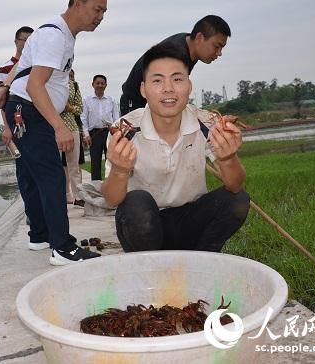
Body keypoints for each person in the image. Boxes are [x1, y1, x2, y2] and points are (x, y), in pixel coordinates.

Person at [0, 0, 107, 265]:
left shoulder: (59, 34)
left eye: (104, 12)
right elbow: (35, 85)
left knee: (32, 176)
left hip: (24, 108)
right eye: (97, 9)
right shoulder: (55, 35)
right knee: (53, 176)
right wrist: (59, 125)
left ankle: (39, 235)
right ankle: (63, 248)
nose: (100, 17)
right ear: (77, 4)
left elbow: (24, 66)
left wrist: (5, 86)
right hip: (31, 111)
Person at [102, 42, 250, 253]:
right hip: (144, 225)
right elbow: (111, 198)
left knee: (237, 200)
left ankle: (204, 258)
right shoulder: (124, 130)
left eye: (177, 79)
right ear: (143, 90)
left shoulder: (206, 123)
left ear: (189, 86)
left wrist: (228, 159)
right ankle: (151, 269)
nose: (168, 89)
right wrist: (119, 170)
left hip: (190, 220)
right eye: (157, 81)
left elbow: (235, 186)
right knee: (136, 202)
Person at [119, 15, 231, 115]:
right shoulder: (175, 54)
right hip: (136, 103)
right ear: (199, 38)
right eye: (216, 46)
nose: (219, 53)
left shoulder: (189, 46)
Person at [0, 26, 34, 227]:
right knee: (25, 170)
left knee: (42, 169)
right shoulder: (5, 69)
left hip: (38, 123)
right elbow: (2, 102)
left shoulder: (37, 65)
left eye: (31, 40)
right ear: (16, 41)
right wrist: (7, 127)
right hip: (17, 126)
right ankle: (31, 211)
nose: (27, 43)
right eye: (23, 40)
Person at [81, 74, 119, 180]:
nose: (100, 85)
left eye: (102, 83)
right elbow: (83, 118)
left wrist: (113, 127)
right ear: (93, 84)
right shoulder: (87, 100)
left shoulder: (111, 100)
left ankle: (111, 185)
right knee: (95, 162)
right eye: (97, 83)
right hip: (95, 134)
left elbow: (117, 118)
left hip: (109, 133)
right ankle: (96, 188)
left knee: (111, 161)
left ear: (106, 85)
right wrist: (86, 135)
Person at [60, 69, 85, 207]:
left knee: (74, 166)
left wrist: (69, 108)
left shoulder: (73, 85)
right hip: (52, 127)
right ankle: (59, 195)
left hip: (72, 126)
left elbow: (80, 108)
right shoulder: (49, 83)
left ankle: (78, 197)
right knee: (55, 165)